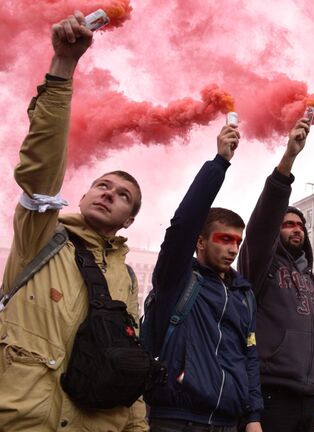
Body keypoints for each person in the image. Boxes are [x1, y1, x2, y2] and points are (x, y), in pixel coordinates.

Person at [0, 12, 146, 431]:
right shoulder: (41, 236)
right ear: (81, 195)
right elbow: (40, 169)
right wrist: (63, 69)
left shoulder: (127, 277)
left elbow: (130, 357)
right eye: (102, 184)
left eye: (123, 196)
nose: (108, 194)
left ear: (128, 220)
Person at [145, 122, 263, 431]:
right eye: (224, 239)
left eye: (237, 242)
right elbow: (182, 225)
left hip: (227, 422)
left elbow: (249, 356)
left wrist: (253, 416)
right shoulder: (178, 279)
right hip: (176, 420)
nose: (233, 249)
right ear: (200, 242)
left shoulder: (243, 293)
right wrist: (220, 163)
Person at [236, 117, 314, 432]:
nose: (296, 229)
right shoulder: (262, 264)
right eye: (287, 224)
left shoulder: (312, 281)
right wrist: (288, 159)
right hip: (270, 394)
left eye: (300, 225)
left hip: (306, 397)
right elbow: (262, 223)